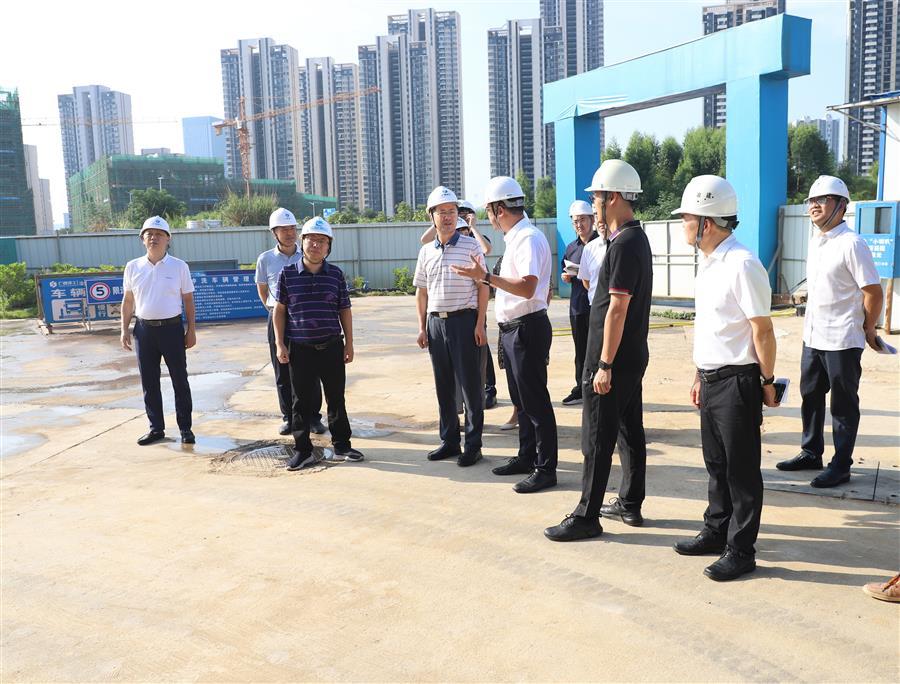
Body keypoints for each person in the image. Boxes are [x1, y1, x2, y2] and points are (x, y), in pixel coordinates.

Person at [669, 175, 779, 581]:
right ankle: (716, 531)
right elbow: (714, 327)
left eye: (687, 218)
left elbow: (761, 329)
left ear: (707, 222)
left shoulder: (742, 263)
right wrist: (699, 374)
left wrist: (767, 380)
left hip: (738, 381)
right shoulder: (710, 262)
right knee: (716, 464)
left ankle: (741, 549)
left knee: (741, 470)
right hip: (712, 379)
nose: (683, 224)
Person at [545, 159, 651, 540]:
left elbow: (617, 308)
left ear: (614, 197)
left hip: (612, 359)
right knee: (628, 430)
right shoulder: (635, 239)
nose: (594, 206)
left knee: (596, 436)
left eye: (597, 199)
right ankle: (630, 501)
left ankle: (586, 515)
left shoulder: (623, 245)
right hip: (631, 355)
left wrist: (604, 364)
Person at [452, 176, 558, 493]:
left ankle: (546, 468)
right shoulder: (517, 238)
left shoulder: (527, 238)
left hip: (527, 328)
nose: (488, 219)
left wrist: (486, 277)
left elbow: (527, 287)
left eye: (488, 211)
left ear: (500, 209)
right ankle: (527, 456)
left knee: (535, 403)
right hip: (514, 329)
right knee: (521, 402)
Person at [776, 176, 883, 488]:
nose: (814, 205)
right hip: (814, 336)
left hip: (842, 339)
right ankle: (811, 452)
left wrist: (869, 328)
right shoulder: (817, 241)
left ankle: (841, 465)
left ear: (841, 206)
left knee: (843, 404)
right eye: (811, 200)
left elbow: (873, 292)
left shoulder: (852, 244)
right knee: (810, 395)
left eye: (822, 200)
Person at [274, 217, 364, 469]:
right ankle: (303, 450)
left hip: (331, 346)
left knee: (336, 399)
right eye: (311, 239)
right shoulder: (287, 274)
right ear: (302, 242)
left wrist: (349, 343)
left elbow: (344, 309)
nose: (316, 245)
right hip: (300, 349)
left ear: (328, 246)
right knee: (300, 402)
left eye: (322, 241)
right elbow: (279, 310)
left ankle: (342, 445)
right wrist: (280, 343)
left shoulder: (335, 274)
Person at [413, 187, 488, 467]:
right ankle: (449, 441)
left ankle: (473, 445)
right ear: (431, 216)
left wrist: (480, 324)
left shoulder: (471, 246)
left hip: (464, 322)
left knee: (470, 387)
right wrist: (422, 327)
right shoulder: (425, 252)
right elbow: (421, 292)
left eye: (452, 212)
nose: (447, 217)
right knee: (443, 386)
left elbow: (483, 287)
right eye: (441, 212)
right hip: (435, 324)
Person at [120, 216, 196, 446]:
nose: (154, 238)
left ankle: (185, 428)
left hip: (172, 329)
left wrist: (191, 330)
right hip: (144, 331)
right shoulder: (133, 267)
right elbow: (128, 300)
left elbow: (188, 300)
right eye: (149, 234)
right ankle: (156, 429)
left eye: (159, 234)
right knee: (149, 382)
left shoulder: (179, 266)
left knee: (179, 380)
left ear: (168, 239)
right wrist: (124, 329)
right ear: (142, 239)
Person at [255, 208, 326, 436]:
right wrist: (273, 310)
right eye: (283, 229)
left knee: (311, 370)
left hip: (304, 319)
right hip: (277, 317)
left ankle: (313, 417)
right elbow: (262, 289)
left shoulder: (307, 254)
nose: (289, 233)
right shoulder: (265, 259)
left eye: (292, 229)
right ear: (274, 232)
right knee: (282, 370)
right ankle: (289, 417)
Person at [423, 200, 499, 409]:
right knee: (447, 372)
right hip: (442, 317)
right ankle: (457, 407)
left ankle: (488, 390)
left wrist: (472, 227)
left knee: (478, 360)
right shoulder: (436, 245)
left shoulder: (473, 242)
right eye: (444, 212)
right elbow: (425, 240)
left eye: (457, 212)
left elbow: (487, 249)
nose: (457, 217)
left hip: (471, 310)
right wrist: (437, 221)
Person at [560, 200, 598, 406]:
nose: (579, 224)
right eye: (575, 221)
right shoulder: (571, 248)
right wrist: (566, 276)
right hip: (577, 306)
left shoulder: (601, 244)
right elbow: (564, 269)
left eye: (583, 220)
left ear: (591, 220)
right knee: (580, 350)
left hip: (595, 305)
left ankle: (596, 387)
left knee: (596, 348)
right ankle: (581, 387)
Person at [579, 211, 609, 305]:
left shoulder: (623, 243)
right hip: (597, 305)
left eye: (603, 215)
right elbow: (586, 280)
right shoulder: (589, 248)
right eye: (597, 216)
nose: (600, 221)